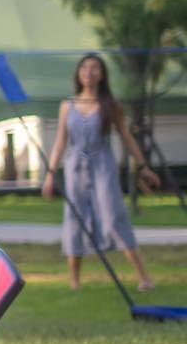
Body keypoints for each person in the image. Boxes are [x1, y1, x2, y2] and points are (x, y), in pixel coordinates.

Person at [42, 53, 159, 292]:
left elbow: (126, 136)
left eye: (95, 68)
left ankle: (144, 278)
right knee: (75, 219)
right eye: (84, 67)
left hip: (103, 166)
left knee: (114, 215)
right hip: (75, 168)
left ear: (102, 74)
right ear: (78, 73)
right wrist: (50, 173)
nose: (89, 72)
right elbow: (60, 142)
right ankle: (74, 281)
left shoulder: (111, 105)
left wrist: (144, 166)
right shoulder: (67, 105)